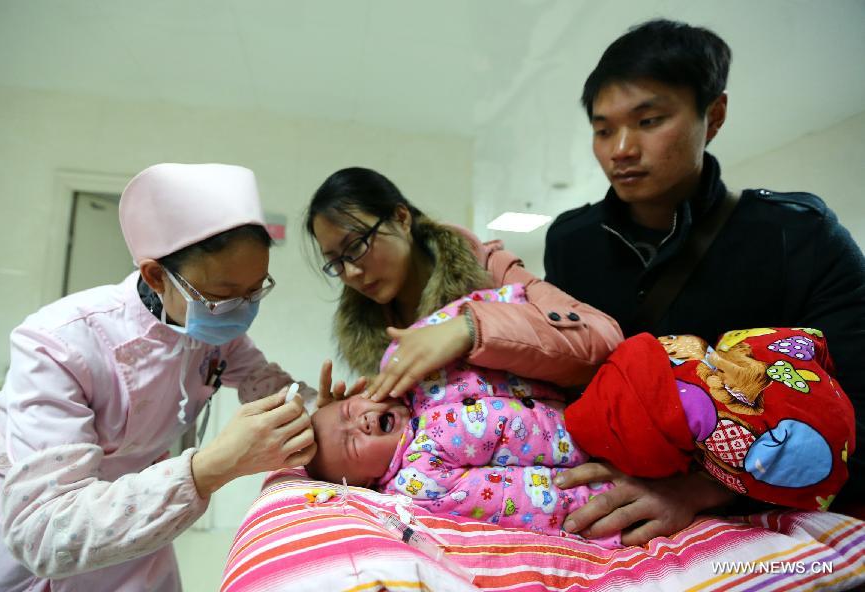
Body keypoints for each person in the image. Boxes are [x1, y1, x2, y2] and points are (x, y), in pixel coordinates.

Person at [544, 19, 865, 544]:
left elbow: (859, 411)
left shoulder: (798, 238)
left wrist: (699, 490)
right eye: (603, 130)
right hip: (601, 511)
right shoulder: (571, 243)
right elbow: (553, 372)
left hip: (763, 527)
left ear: (713, 116)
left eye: (649, 120)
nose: (620, 149)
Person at [0, 163, 321, 592]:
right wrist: (213, 466)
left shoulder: (216, 335)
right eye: (223, 295)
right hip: (23, 536)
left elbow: (270, 386)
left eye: (255, 291)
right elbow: (42, 533)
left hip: (137, 513)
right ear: (156, 276)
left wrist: (328, 408)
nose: (241, 311)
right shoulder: (59, 342)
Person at [306, 285, 853, 547]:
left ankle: (792, 372)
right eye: (351, 444)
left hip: (612, 381)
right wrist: (601, 511)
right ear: (369, 484)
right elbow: (517, 499)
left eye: (350, 409)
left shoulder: (410, 365)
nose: (357, 421)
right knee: (725, 433)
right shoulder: (418, 481)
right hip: (612, 448)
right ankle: (801, 458)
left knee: (704, 372)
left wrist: (483, 312)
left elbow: (503, 301)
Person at [305, 166, 623, 409]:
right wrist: (347, 426)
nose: (352, 272)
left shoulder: (488, 269)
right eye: (336, 261)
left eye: (357, 245)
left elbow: (603, 337)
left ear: (401, 218)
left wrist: (469, 328)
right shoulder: (370, 329)